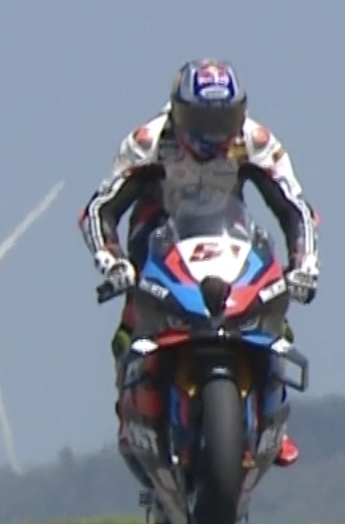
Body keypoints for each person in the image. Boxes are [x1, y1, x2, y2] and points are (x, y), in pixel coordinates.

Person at [77, 57, 320, 478]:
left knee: (273, 311)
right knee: (133, 324)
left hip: (229, 240)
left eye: (224, 118)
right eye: (202, 120)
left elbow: (295, 209)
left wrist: (304, 264)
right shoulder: (148, 142)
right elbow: (101, 209)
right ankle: (131, 416)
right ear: (178, 112)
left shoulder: (256, 141)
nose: (215, 131)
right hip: (159, 241)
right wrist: (111, 260)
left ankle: (273, 420)